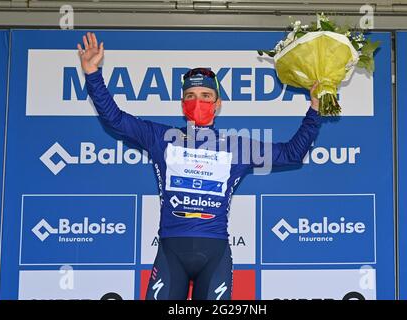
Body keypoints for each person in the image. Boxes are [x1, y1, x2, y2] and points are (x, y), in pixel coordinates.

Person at [78, 32, 321, 300]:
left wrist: (315, 108)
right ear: (183, 104)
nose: (198, 101)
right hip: (172, 252)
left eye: (206, 95)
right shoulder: (160, 138)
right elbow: (115, 120)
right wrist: (92, 73)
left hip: (214, 254)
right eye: (191, 95)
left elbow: (292, 153)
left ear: (218, 104)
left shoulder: (236, 147)